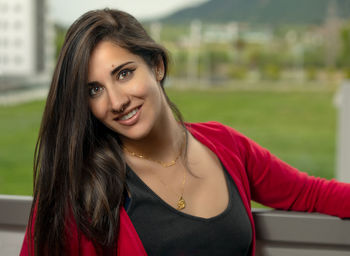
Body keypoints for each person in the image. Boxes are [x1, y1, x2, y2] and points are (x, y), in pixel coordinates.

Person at [20, 8, 350, 256]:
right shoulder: (79, 186)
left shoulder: (226, 144)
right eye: (94, 90)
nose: (117, 101)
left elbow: (312, 194)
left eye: (124, 74)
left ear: (157, 66)